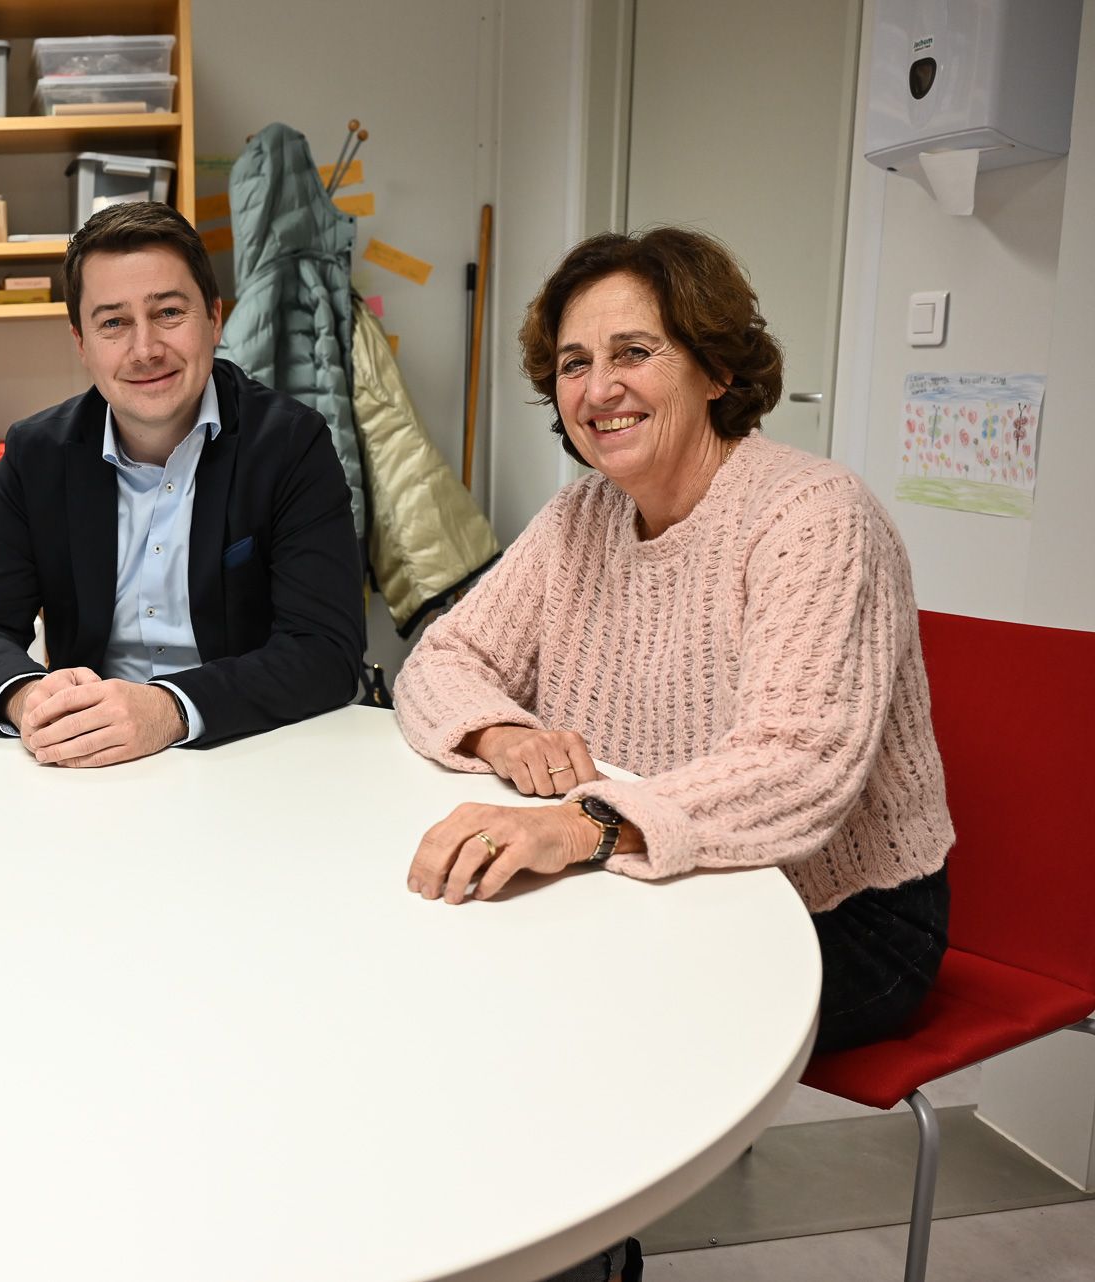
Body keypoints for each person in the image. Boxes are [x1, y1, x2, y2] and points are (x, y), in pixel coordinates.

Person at [393, 227, 953, 1057]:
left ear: (718, 369)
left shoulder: (813, 516)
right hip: (661, 872)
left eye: (635, 351)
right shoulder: (579, 517)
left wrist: (580, 828)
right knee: (464, 938)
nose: (598, 387)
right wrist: (499, 731)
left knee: (552, 1002)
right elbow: (442, 659)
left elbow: (798, 761)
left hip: (839, 911)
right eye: (575, 364)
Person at [0, 201, 364, 765]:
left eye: (167, 312)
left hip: (247, 753)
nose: (145, 350)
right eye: (113, 322)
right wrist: (28, 697)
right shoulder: (36, 453)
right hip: (88, 762)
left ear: (214, 318)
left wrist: (169, 709)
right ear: (82, 343)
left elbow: (327, 652)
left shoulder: (289, 445)